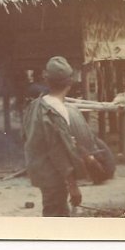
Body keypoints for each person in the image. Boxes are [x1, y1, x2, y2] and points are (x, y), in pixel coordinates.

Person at [23, 56, 86, 216]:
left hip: (41, 171)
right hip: (55, 176)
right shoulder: (59, 111)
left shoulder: (35, 105)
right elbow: (58, 152)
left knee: (50, 211)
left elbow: (28, 136)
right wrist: (73, 186)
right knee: (57, 218)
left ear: (46, 80)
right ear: (70, 83)